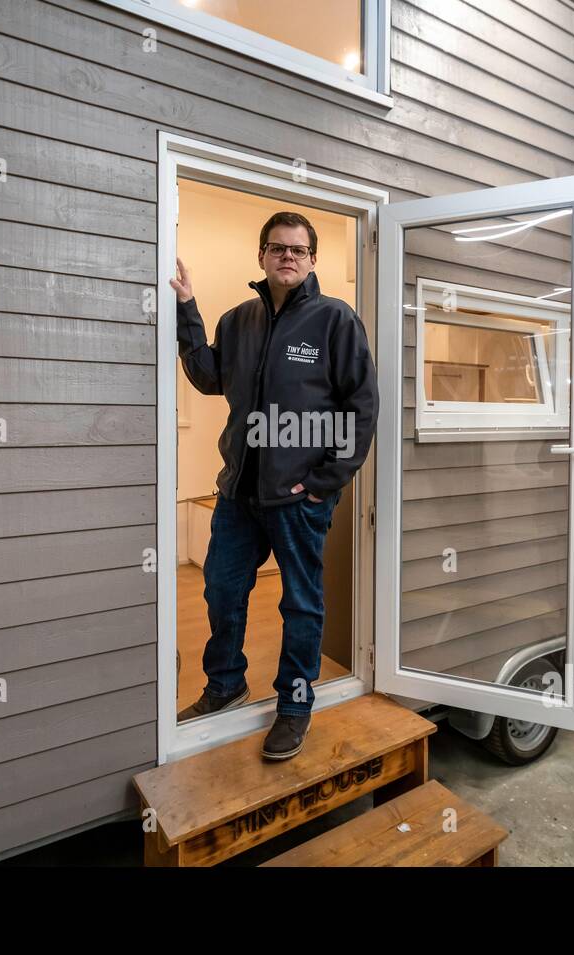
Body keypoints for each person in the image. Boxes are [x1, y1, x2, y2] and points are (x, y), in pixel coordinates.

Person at [171, 211, 379, 760]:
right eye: (277, 248)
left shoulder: (336, 320)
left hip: (298, 500)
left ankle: (293, 705)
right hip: (239, 493)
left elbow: (362, 406)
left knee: (301, 605)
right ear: (261, 256)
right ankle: (225, 685)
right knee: (221, 589)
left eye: (298, 250)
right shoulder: (239, 320)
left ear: (312, 260)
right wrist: (186, 308)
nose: (288, 256)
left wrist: (324, 482)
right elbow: (208, 376)